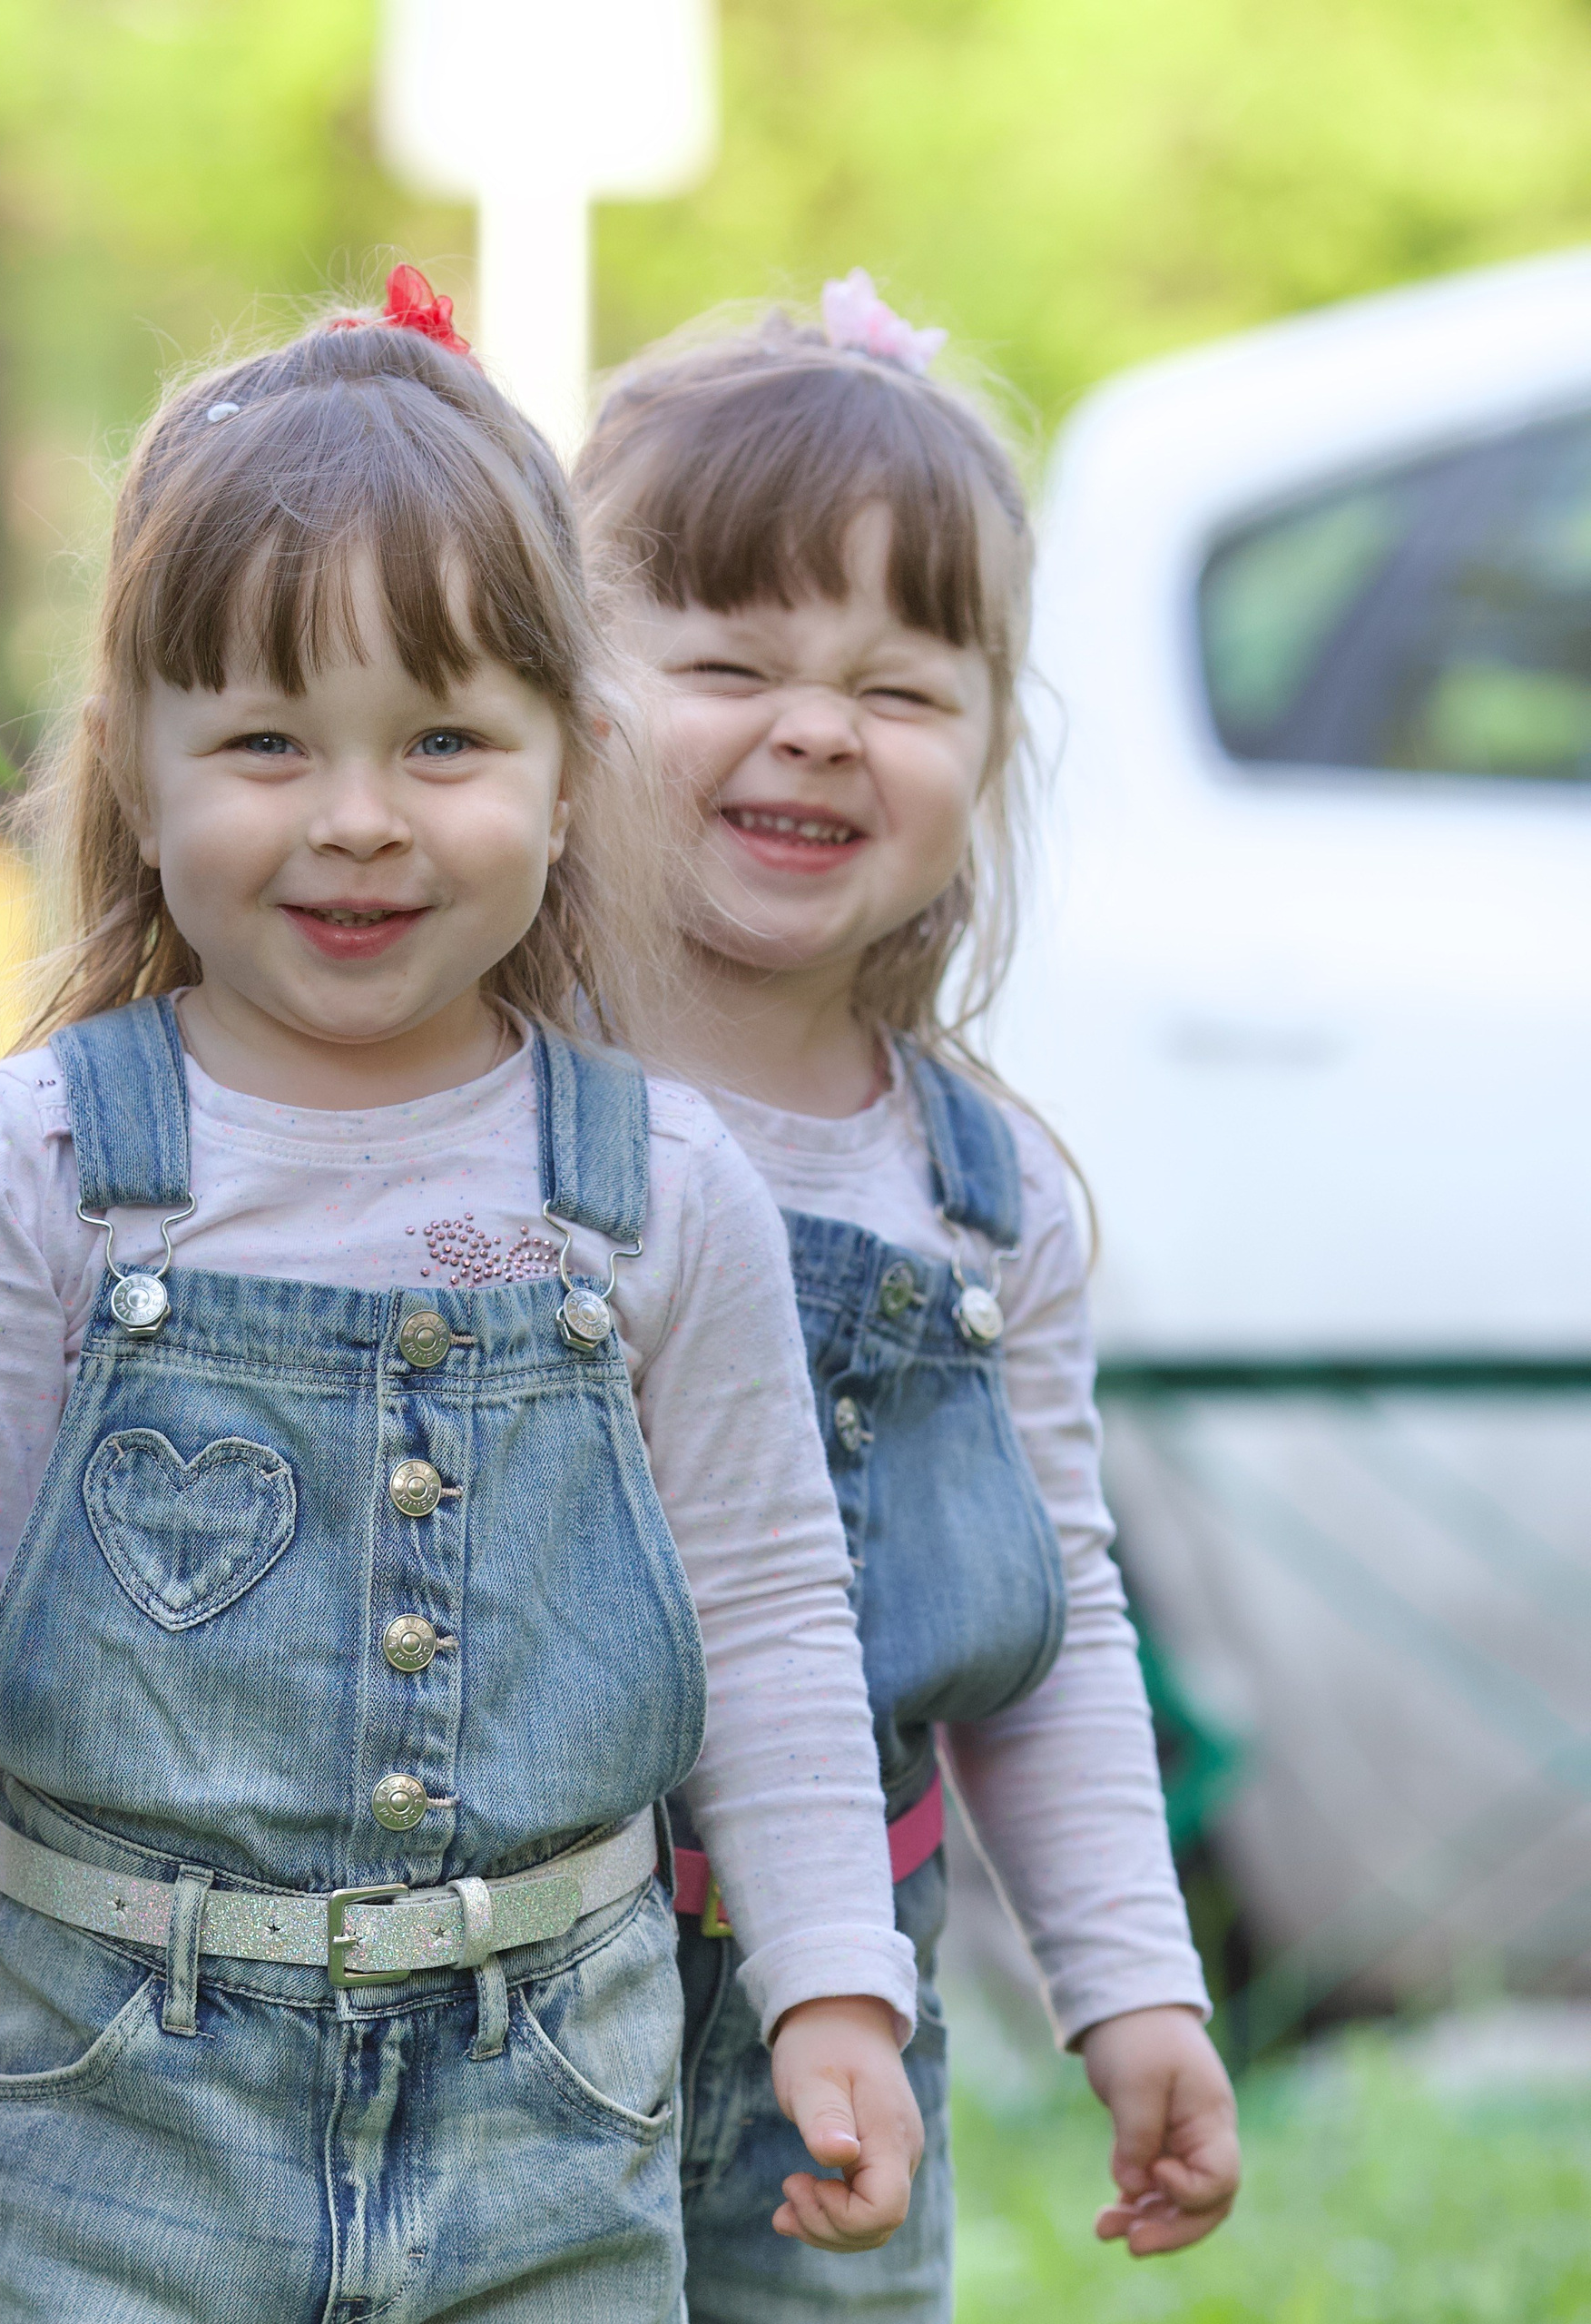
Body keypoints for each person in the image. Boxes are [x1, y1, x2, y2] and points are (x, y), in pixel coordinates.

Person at [0, 268, 924, 2322]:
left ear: (575, 764)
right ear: (131, 759)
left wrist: (834, 1976)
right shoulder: (32, 1166)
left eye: (446, 738)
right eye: (270, 740)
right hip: (112, 2120)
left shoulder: (655, 1188)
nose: (360, 817)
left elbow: (760, 1601)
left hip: (550, 2110)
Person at [575, 278, 1244, 2323]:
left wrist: (1127, 1973)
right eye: (724, 659)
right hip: (486, 2013)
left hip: (844, 2042)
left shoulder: (982, 1194)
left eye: (898, 682)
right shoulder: (480, 1109)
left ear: (984, 738)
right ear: (555, 690)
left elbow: (1044, 1611)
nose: (813, 726)